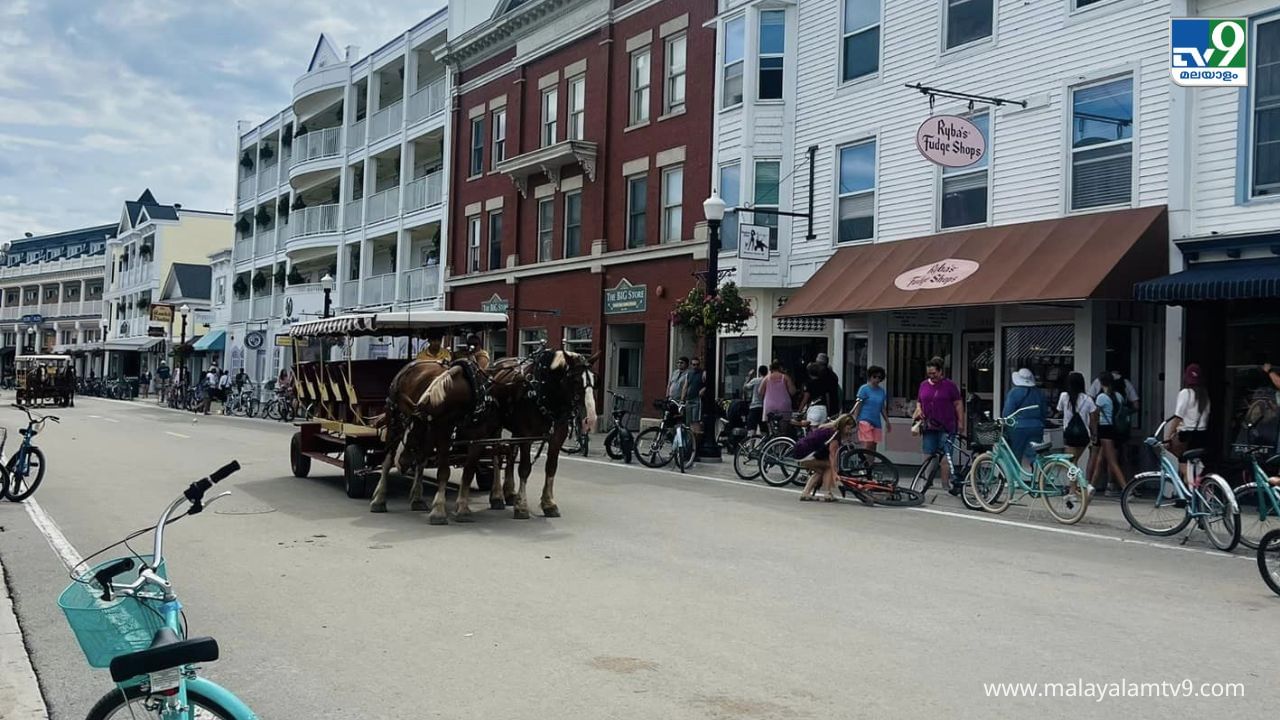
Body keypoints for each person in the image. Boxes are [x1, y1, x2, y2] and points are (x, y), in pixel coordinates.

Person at [913, 357, 964, 493]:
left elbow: (958, 403)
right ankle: (926, 481)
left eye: (934, 373)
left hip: (946, 425)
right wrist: (919, 410)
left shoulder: (950, 385)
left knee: (946, 456)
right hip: (929, 425)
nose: (932, 376)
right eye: (929, 373)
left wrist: (960, 422)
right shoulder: (923, 385)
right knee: (929, 454)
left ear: (941, 371)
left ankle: (945, 484)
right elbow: (919, 401)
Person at [796, 414, 865, 503]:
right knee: (828, 466)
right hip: (806, 454)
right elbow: (832, 456)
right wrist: (835, 473)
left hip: (800, 451)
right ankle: (827, 493)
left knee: (820, 470)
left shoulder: (829, 428)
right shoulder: (835, 436)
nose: (849, 431)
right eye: (848, 428)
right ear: (843, 425)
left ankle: (806, 493)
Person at [1088, 372, 1129, 495]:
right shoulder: (1118, 396)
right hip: (1115, 430)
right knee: (1100, 460)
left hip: (1104, 430)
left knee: (1112, 462)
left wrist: (1094, 432)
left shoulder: (1101, 397)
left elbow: (1095, 416)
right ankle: (1091, 487)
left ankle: (1126, 488)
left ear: (1101, 383)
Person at [1169, 363, 1210, 475]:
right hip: (1202, 435)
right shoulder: (1205, 396)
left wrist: (1168, 436)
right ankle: (1198, 485)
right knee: (1194, 465)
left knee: (1183, 462)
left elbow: (1178, 417)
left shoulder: (1185, 393)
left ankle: (1191, 485)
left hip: (1187, 435)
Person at [1003, 368, 1046, 467]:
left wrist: (1005, 424)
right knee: (1034, 455)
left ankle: (1013, 480)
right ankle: (1039, 478)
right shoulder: (1039, 393)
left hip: (1018, 428)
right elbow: (1044, 412)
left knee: (1015, 456)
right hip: (1036, 426)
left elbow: (1007, 413)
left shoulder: (1014, 392)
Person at [1057, 371, 1095, 465]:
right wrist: (1094, 434)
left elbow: (1059, 410)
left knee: (1071, 464)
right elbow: (1093, 419)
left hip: (1069, 435)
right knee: (1074, 461)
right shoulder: (1088, 399)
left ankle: (1073, 480)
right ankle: (1077, 479)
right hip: (1084, 436)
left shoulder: (1064, 396)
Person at [850, 366, 890, 452]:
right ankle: (864, 461)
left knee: (874, 445)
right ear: (870, 377)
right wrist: (855, 418)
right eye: (874, 377)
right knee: (869, 442)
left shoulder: (881, 391)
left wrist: (887, 421)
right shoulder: (864, 389)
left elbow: (882, 407)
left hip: (876, 421)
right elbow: (858, 404)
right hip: (864, 419)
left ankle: (870, 463)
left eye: (879, 377)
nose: (877, 379)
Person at [759, 360, 796, 432]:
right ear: (780, 367)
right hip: (783, 405)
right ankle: (782, 440)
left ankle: (773, 440)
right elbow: (793, 392)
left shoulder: (766, 378)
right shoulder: (785, 377)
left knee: (771, 430)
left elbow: (760, 392)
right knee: (783, 430)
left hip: (769, 405)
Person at [800, 361, 838, 426]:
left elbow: (806, 398)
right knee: (821, 430)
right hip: (823, 409)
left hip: (813, 409)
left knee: (813, 432)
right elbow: (827, 396)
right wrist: (828, 409)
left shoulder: (809, 383)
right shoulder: (824, 383)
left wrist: (800, 410)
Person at [744, 365, 768, 434]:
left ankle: (751, 444)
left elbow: (745, 387)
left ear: (759, 372)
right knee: (764, 430)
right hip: (764, 408)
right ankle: (765, 444)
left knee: (752, 429)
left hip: (754, 407)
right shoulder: (768, 381)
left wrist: (749, 377)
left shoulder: (755, 380)